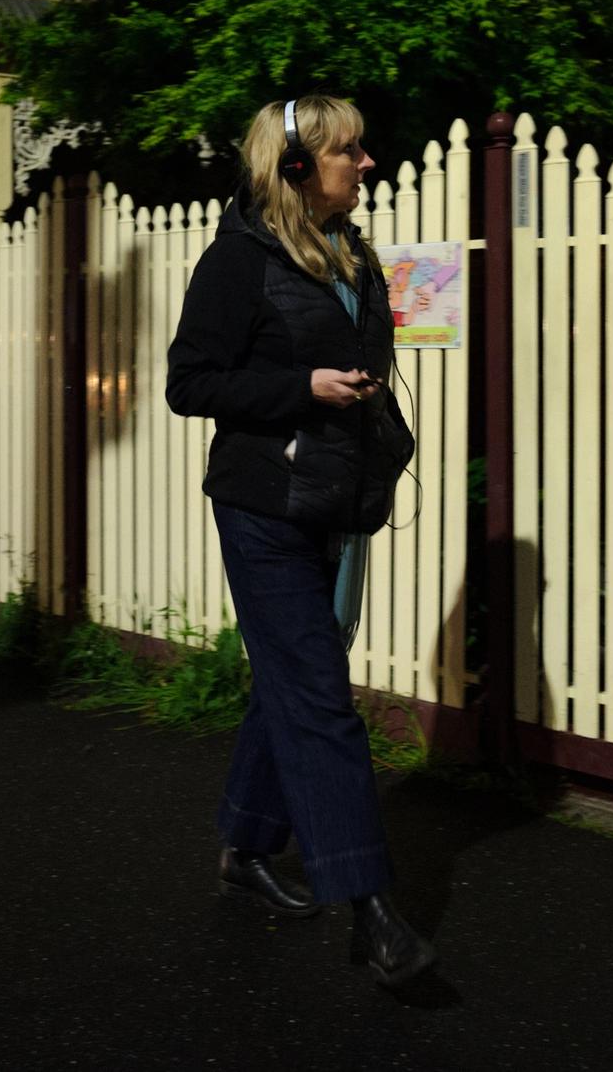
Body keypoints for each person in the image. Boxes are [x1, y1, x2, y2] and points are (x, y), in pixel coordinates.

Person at [166, 95, 433, 987]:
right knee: (320, 696)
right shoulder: (237, 261)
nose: (367, 162)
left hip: (338, 500)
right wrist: (300, 387)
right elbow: (189, 382)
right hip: (264, 509)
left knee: (292, 676)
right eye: (349, 150)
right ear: (294, 166)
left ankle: (246, 846)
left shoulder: (353, 254)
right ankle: (373, 909)